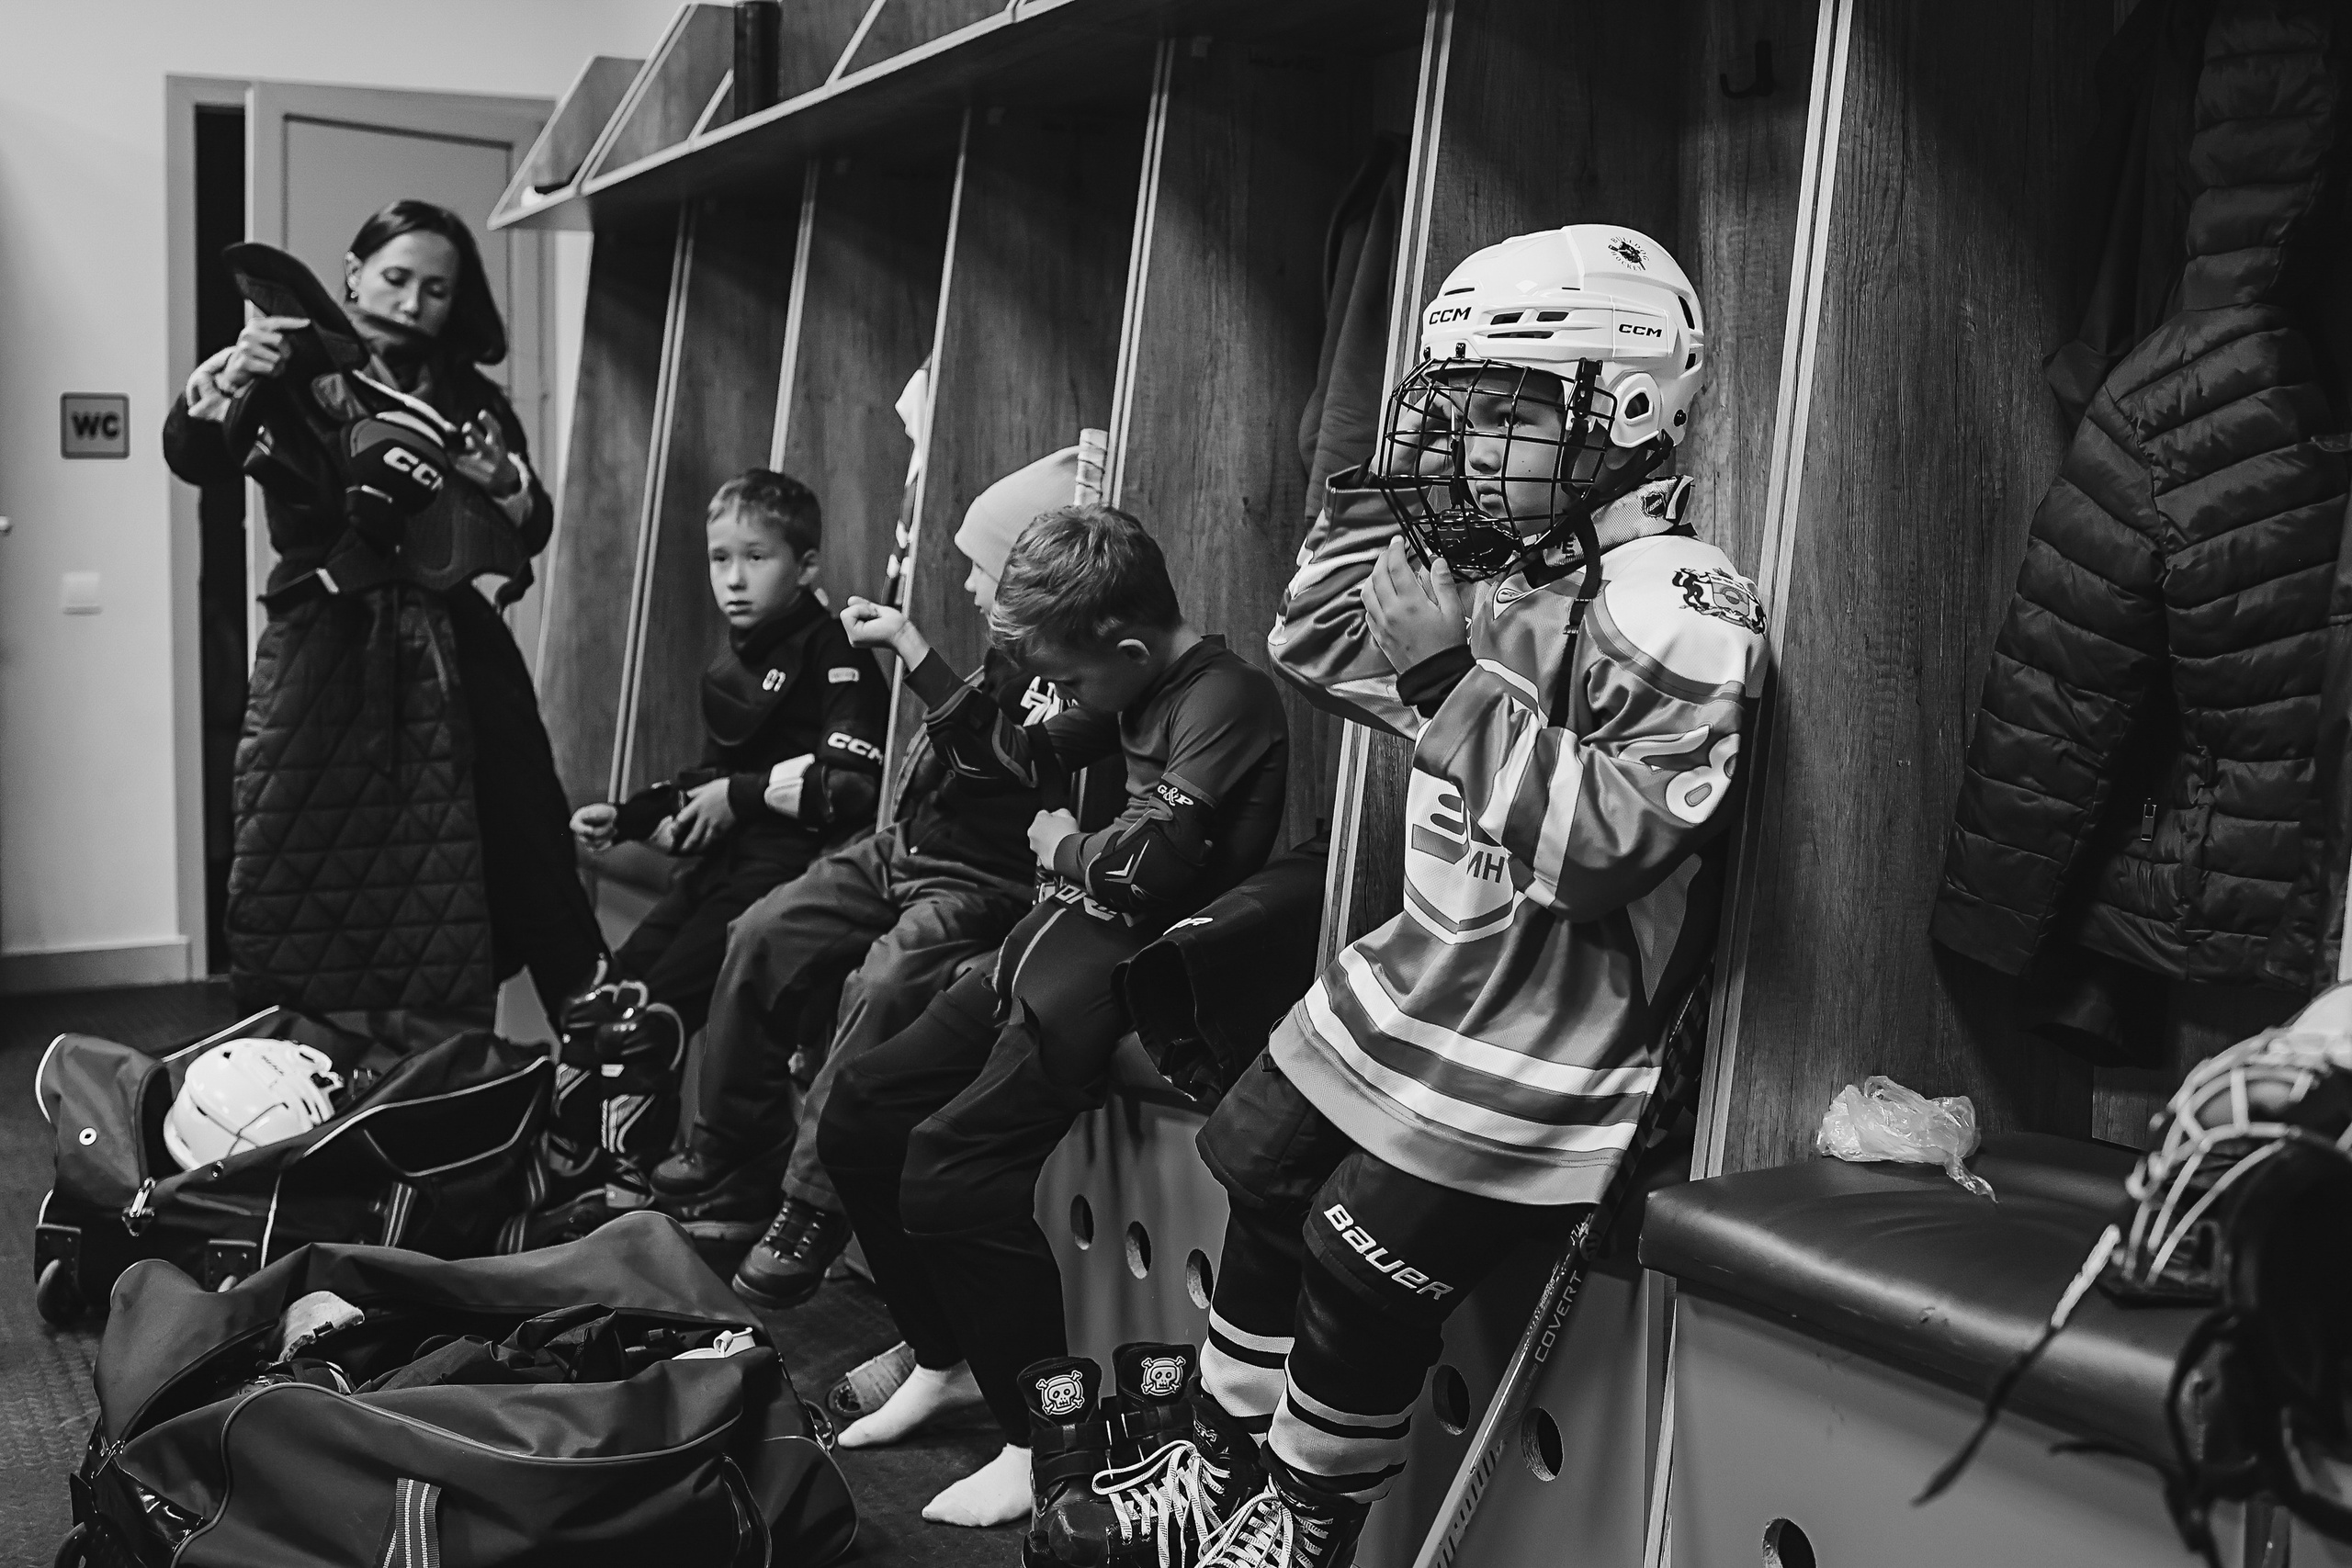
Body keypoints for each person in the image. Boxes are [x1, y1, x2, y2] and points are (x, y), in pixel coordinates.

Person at [1049, 226, 1769, 1568]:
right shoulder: (1509, 570)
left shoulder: (1676, 604)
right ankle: (1219, 1466)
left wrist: (1448, 680)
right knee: (1257, 1156)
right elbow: (1320, 638)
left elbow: (1608, 844)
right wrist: (1401, 490)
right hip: (1430, 979)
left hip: (1553, 1036)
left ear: (1627, 409)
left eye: (1509, 417)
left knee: (1351, 1250)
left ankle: (1303, 1522)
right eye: (1458, 415)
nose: (1474, 450)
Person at [813, 504, 1291, 1534]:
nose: (1066, 698)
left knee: (948, 1173)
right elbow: (1012, 763)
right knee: (859, 1111)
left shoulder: (1228, 697)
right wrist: (918, 655)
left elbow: (1147, 868)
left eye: (1071, 680)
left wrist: (1064, 845)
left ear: (1127, 649)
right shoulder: (1128, 689)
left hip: (1120, 980)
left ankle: (1042, 1445)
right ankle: (945, 1358)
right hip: (1044, 948)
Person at [645, 448, 1087, 1308]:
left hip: (983, 880)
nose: (967, 586)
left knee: (883, 980)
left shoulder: (1076, 677)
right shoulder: (1009, 653)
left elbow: (1005, 767)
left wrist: (916, 653)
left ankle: (811, 1205)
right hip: (906, 848)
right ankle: (733, 1141)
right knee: (763, 928)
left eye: (985, 570)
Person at [163, 199, 603, 1027]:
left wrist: (501, 477)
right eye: (396, 278)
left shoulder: (471, 395)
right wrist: (230, 378)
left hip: (455, 638)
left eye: (437, 290)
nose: (412, 302)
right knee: (303, 847)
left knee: (521, 829)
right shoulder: (283, 368)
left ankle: (589, 1034)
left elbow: (533, 525)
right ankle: (299, 1053)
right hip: (322, 635)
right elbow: (191, 455)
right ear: (353, 272)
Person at [557, 468, 887, 1200]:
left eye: (756, 557)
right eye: (719, 558)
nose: (733, 579)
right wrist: (630, 816)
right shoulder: (742, 652)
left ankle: (634, 1196)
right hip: (721, 865)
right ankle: (572, 1174)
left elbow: (852, 782)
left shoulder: (836, 649)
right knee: (601, 1001)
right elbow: (718, 774)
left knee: (646, 1019)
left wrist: (736, 797)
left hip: (788, 870)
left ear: (806, 565)